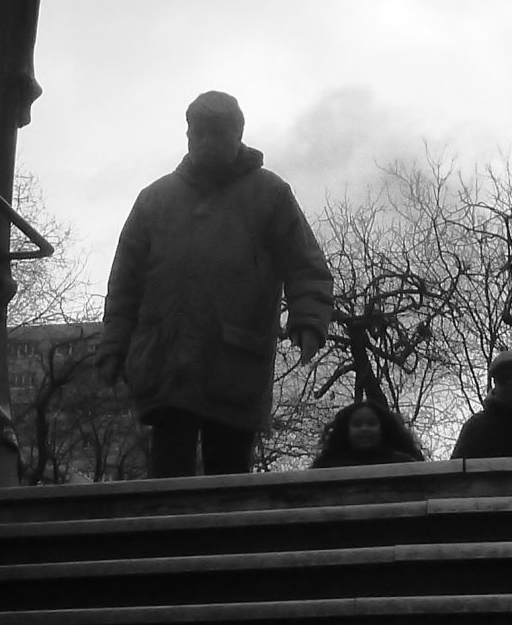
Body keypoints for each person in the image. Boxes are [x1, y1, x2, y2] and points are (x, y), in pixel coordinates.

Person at [99, 91, 333, 477]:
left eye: (218, 132)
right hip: (167, 361)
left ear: (238, 134)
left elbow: (305, 265)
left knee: (229, 477)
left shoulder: (270, 193)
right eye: (199, 132)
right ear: (188, 135)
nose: (207, 141)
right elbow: (125, 282)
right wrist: (113, 345)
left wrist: (309, 320)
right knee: (167, 475)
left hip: (234, 363)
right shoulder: (154, 199)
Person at [310, 400, 426, 468]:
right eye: (357, 424)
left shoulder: (404, 463)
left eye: (371, 423)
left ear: (384, 428)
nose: (364, 429)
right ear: (345, 430)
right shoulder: (327, 465)